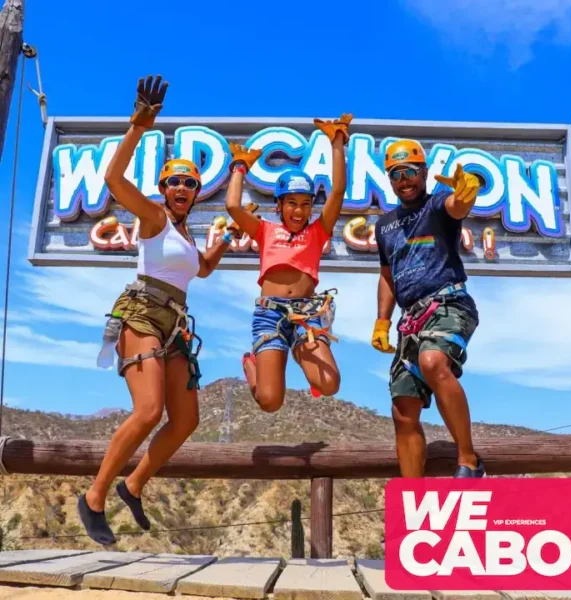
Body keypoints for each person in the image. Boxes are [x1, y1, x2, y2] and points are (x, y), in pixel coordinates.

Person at [78, 75, 242, 545]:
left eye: (191, 183)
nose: (183, 189)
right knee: (149, 410)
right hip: (143, 315)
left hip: (176, 325)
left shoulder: (188, 236)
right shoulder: (153, 219)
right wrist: (139, 126)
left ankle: (134, 485)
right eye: (175, 182)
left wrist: (222, 245)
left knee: (186, 420)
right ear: (163, 187)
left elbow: (201, 271)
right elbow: (112, 179)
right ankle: (94, 497)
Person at [372, 139, 484, 479]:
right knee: (402, 408)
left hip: (449, 301)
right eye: (396, 174)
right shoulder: (384, 226)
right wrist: (381, 321)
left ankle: (469, 460)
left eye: (411, 172)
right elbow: (387, 275)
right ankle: (412, 497)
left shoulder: (436, 205)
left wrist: (466, 194)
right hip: (409, 320)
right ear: (389, 179)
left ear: (423, 172)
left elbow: (456, 206)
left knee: (432, 361)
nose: (404, 180)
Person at [225, 114, 352, 411]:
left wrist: (336, 143)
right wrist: (240, 166)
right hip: (270, 314)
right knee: (270, 402)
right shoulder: (265, 230)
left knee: (330, 384)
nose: (299, 210)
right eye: (292, 203)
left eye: (306, 204)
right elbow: (232, 206)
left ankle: (300, 349)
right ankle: (251, 364)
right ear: (279, 205)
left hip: (306, 316)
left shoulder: (318, 231)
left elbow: (337, 192)